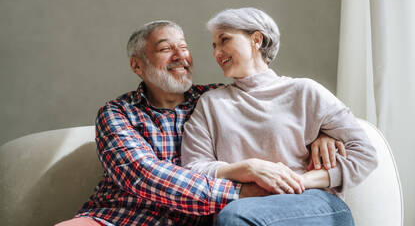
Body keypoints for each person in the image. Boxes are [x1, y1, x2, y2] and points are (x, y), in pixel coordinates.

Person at [56, 20, 342, 226]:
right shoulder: (117, 113)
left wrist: (321, 131)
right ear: (137, 66)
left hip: (193, 221)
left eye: (184, 47)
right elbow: (145, 175)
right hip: (120, 217)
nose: (181, 56)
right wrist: (241, 191)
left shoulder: (217, 99)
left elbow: (281, 107)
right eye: (166, 49)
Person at [181, 8, 378, 226]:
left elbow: (364, 154)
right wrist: (249, 169)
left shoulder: (304, 91)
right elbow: (193, 168)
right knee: (234, 215)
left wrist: (299, 181)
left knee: (234, 216)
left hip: (313, 203)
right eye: (214, 45)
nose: (217, 52)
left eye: (224, 40)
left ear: (256, 40)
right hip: (243, 207)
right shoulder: (210, 103)